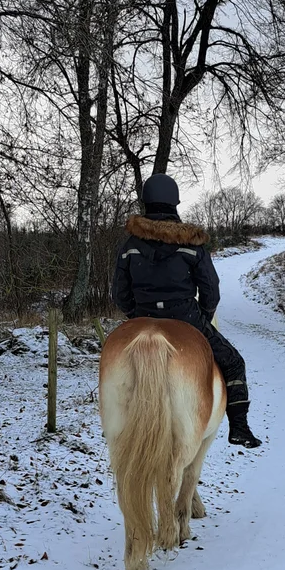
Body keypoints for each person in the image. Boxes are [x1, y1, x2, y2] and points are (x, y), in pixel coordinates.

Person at [111, 173, 262, 448]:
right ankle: (239, 427)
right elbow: (210, 289)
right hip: (186, 317)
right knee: (234, 362)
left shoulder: (130, 246)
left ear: (146, 202)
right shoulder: (192, 243)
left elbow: (119, 294)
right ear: (174, 202)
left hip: (143, 317)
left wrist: (136, 315)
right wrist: (202, 318)